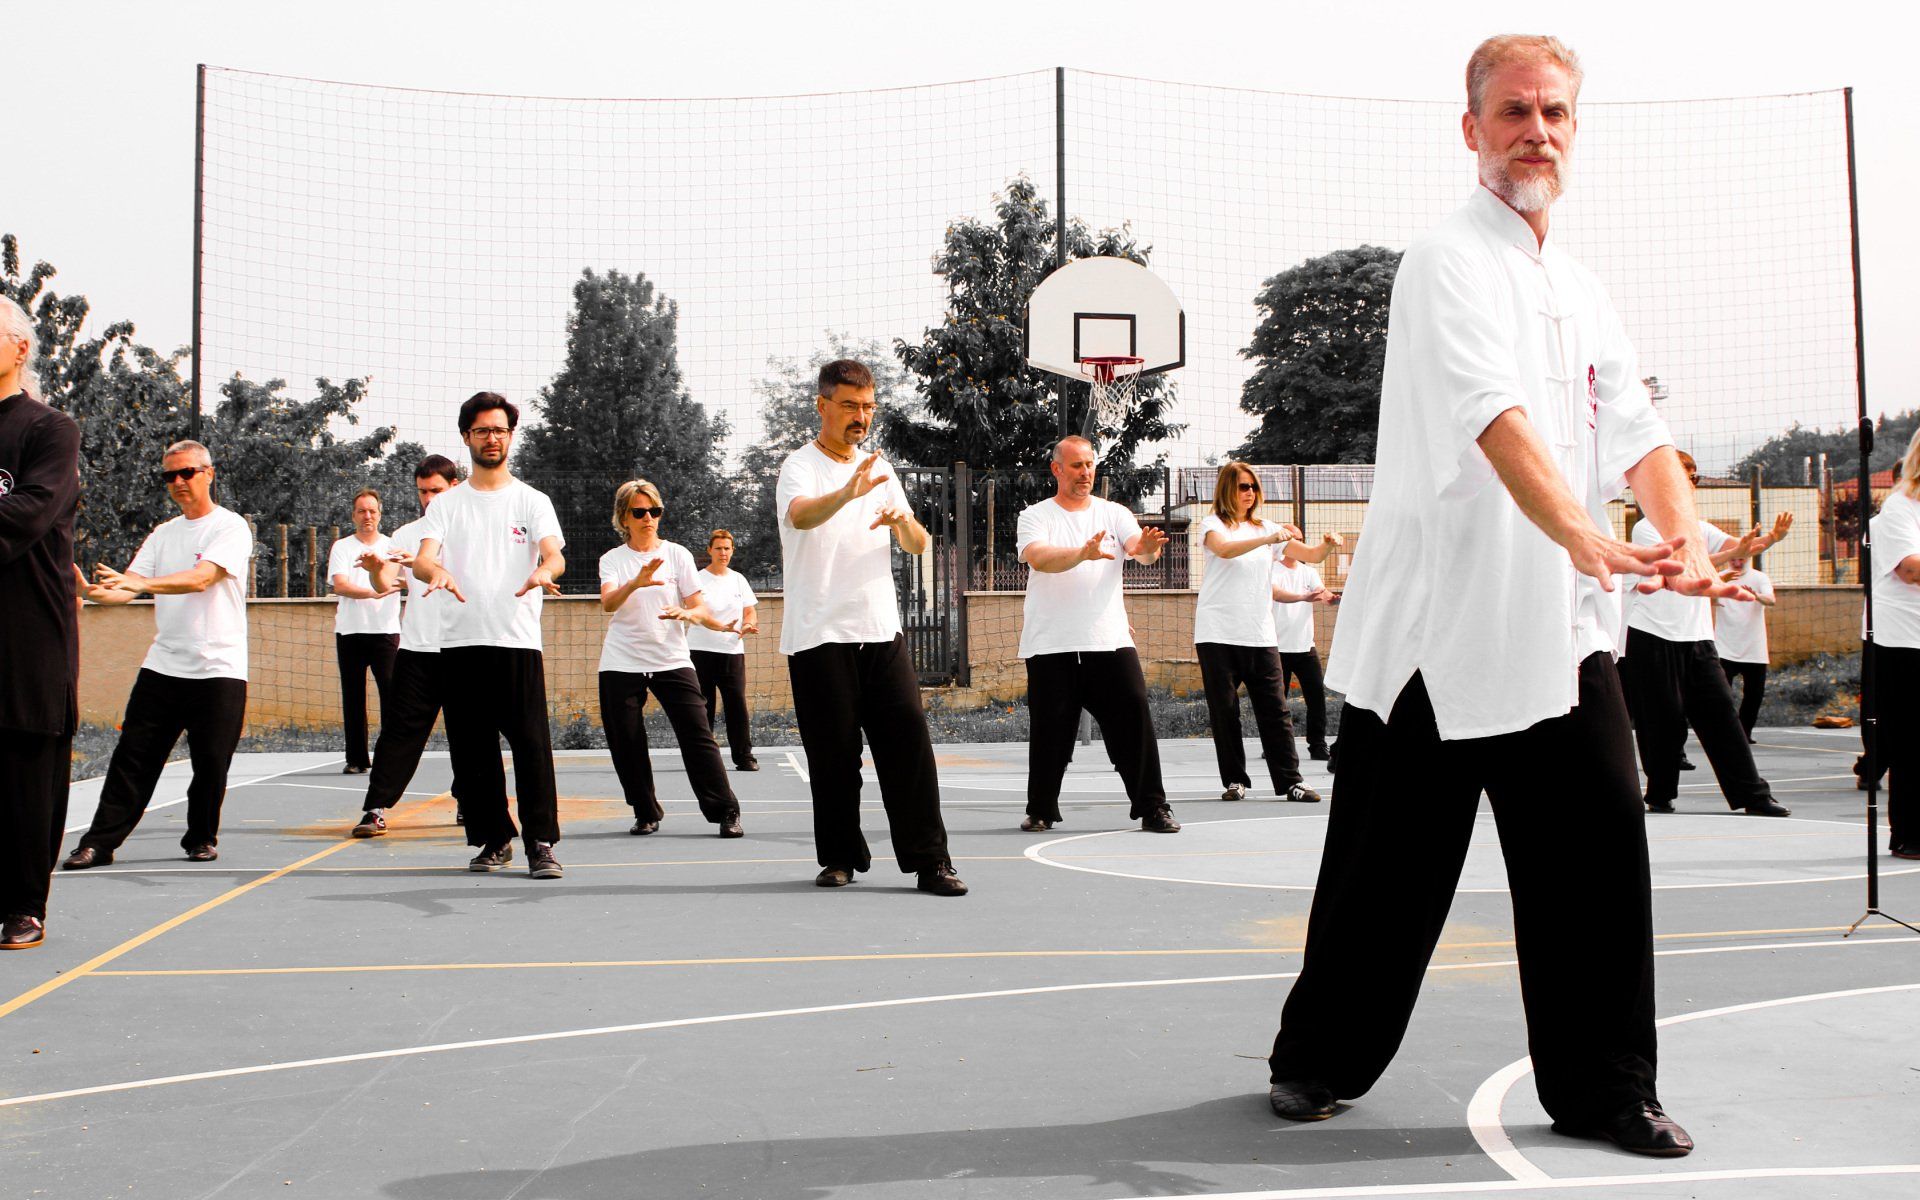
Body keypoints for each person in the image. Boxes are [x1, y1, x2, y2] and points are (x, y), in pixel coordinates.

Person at [1264, 36, 1750, 1158]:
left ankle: (1607, 1088)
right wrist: (1588, 535)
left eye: (1558, 113)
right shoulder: (1445, 261)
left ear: (1576, 132)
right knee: (1386, 879)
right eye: (1516, 111)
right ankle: (1318, 1060)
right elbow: (1498, 422)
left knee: (1597, 867)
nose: (1539, 130)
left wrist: (1681, 539)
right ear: (1472, 128)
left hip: (1561, 636)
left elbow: (1643, 433)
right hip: (1439, 632)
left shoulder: (1581, 287)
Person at [777, 358, 965, 895]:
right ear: (823, 406)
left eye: (867, 407)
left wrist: (903, 520)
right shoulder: (800, 465)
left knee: (909, 747)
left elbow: (919, 543)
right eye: (850, 406)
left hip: (881, 630)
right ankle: (839, 857)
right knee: (833, 757)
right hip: (818, 635)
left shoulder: (881, 469)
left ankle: (931, 862)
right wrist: (848, 494)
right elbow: (802, 515)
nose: (861, 416)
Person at [67, 440, 253, 868]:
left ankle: (201, 837)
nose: (178, 482)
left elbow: (202, 578)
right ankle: (99, 843)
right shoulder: (163, 533)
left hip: (219, 668)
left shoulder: (231, 527)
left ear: (209, 473)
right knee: (132, 758)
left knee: (211, 764)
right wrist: (91, 592)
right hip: (163, 666)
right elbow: (125, 587)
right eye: (170, 476)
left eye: (186, 473)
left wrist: (138, 586)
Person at [411, 392, 567, 880]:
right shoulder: (448, 505)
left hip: (517, 641)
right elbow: (422, 558)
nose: (492, 438)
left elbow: (555, 555)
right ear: (466, 438)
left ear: (510, 436)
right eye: (482, 431)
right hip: (461, 643)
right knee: (473, 752)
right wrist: (433, 572)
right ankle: (494, 839)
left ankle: (541, 842)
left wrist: (545, 571)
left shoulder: (532, 500)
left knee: (530, 746)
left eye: (499, 430)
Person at [1015, 435, 1177, 834]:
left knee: (1134, 723)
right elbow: (1040, 558)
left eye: (1089, 464)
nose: (1085, 472)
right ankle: (1040, 809)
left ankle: (1153, 807)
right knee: (1051, 733)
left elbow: (1139, 549)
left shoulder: (1115, 513)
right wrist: (1080, 555)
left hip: (1110, 641)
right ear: (1057, 469)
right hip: (1052, 643)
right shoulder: (1035, 516)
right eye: (1076, 465)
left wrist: (1150, 548)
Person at [1621, 453, 1791, 815]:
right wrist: (1729, 554)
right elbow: (1680, 565)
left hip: (1697, 640)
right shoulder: (1647, 527)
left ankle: (1753, 795)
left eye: (1695, 478)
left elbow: (1741, 549)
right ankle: (1660, 793)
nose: (1691, 484)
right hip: (1652, 637)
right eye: (1685, 476)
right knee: (1662, 721)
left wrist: (1770, 540)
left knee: (1722, 715)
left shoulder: (1701, 527)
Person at [598, 480, 744, 839]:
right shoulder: (612, 560)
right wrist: (635, 582)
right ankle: (645, 811)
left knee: (698, 736)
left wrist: (689, 614)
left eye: (655, 511)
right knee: (626, 741)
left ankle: (725, 810)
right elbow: (608, 604)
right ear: (624, 517)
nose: (649, 518)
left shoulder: (677, 555)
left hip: (671, 658)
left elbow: (699, 606)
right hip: (622, 660)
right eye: (639, 512)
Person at [1, 298, 81, 949]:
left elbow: (27, 514)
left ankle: (25, 905)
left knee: (28, 770)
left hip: (29, 632)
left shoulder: (49, 429)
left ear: (20, 349)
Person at [1194, 461, 1338, 803]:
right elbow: (1226, 550)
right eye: (1244, 486)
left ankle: (1291, 781)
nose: (1250, 493)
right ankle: (1235, 780)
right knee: (1225, 710)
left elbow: (1312, 555)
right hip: (1217, 634)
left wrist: (1328, 546)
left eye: (1254, 488)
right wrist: (1268, 538)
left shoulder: (1268, 528)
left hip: (1260, 635)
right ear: (1228, 489)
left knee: (1275, 710)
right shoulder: (1212, 525)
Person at [349, 455, 465, 838]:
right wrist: (372, 569)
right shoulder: (404, 534)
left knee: (470, 731)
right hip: (418, 650)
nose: (429, 498)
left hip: (466, 647)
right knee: (399, 732)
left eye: (436, 490)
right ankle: (375, 808)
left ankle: (470, 800)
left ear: (454, 486)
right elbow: (386, 585)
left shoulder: (471, 531)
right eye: (423, 491)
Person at [1867, 428, 1920, 859]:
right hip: (1905, 643)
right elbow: (1910, 568)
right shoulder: (1899, 508)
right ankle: (1908, 834)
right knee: (1911, 742)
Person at [328, 488, 401, 774]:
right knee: (353, 697)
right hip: (350, 632)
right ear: (353, 515)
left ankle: (391, 757)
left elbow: (404, 579)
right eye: (361, 511)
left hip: (385, 632)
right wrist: (372, 592)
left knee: (391, 696)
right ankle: (357, 759)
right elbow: (340, 585)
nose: (367, 515)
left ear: (379, 514)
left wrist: (394, 583)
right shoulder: (342, 547)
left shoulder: (393, 546)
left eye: (372, 510)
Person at [687, 528, 760, 772]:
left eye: (727, 548)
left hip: (732, 653)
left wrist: (749, 624)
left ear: (732, 551)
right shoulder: (697, 579)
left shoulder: (739, 579)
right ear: (709, 550)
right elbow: (691, 611)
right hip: (700, 651)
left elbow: (750, 611)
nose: (723, 552)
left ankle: (744, 757)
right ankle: (703, 759)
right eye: (718, 548)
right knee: (702, 707)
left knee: (736, 705)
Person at [1271, 548, 1341, 762]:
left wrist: (1331, 598)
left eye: (1300, 540)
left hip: (1304, 647)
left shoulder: (1308, 572)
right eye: (1292, 539)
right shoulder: (1271, 569)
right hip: (1277, 647)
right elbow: (1274, 593)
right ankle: (1275, 745)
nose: (1297, 543)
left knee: (1316, 698)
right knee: (1276, 702)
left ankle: (1318, 746)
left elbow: (1322, 592)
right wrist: (1303, 596)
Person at [1714, 555, 1776, 742]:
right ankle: (1725, 731)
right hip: (1725, 646)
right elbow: (1706, 598)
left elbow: (1771, 600)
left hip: (1753, 647)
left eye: (1742, 559)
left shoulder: (1759, 578)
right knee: (1722, 694)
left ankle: (1744, 732)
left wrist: (1755, 596)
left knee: (1754, 694)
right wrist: (1716, 591)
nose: (1737, 563)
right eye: (1733, 559)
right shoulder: (1720, 577)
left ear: (1748, 558)